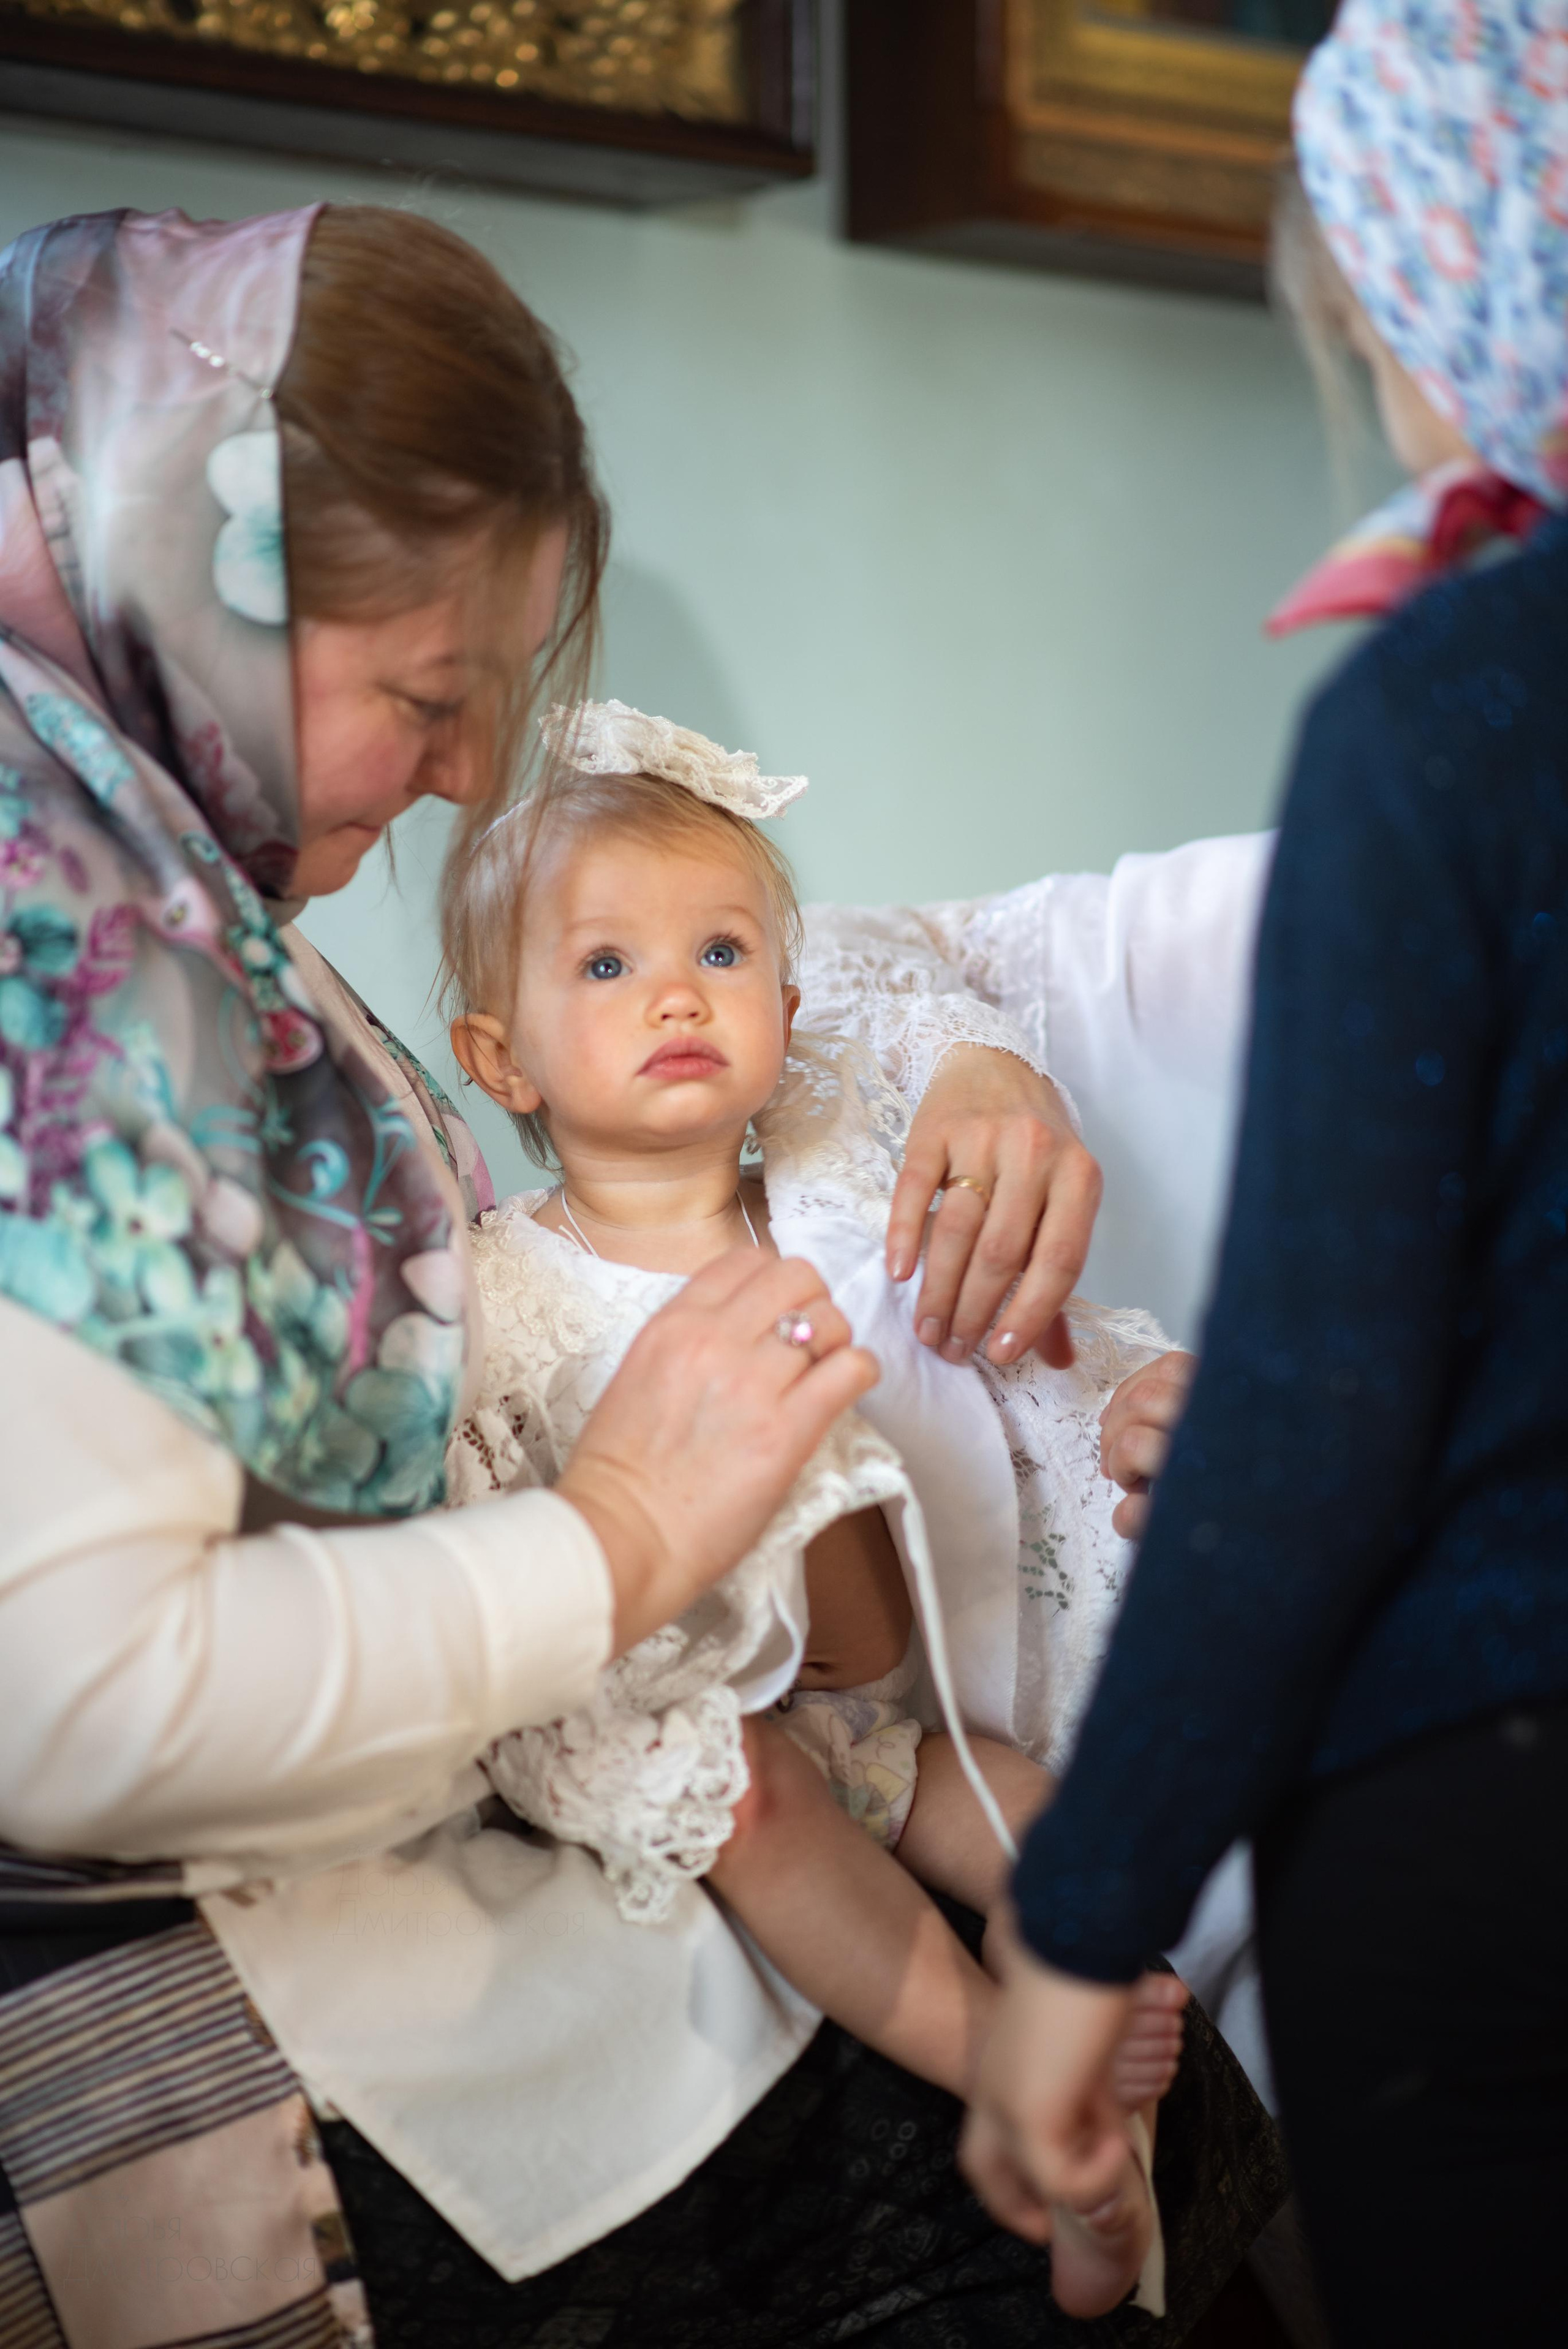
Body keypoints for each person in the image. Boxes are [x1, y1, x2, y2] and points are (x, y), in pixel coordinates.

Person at [0, 203, 1280, 2346]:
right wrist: (614, 1537)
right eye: (429, 693)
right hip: (424, 1871)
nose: (481, 772)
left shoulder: (165, 857)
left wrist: (970, 1052)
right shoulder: (73, 951)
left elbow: (829, 967)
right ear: (200, 567)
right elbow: (81, 1695)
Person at [962, 5, 1568, 2342]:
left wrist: (1078, 1917)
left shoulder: (1454, 718)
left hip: (1494, 1846)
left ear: (1425, 303)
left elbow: (1319, 1415)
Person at [442, 702, 1193, 2317]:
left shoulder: (839, 1202)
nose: (672, 994)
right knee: (772, 1811)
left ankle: (1099, 2073)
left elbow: (916, 1566)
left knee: (1032, 1812)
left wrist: (1117, 1389)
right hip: (710, 1734)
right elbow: (515, 1532)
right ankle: (1016, 2085)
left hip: (884, 1727)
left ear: (785, 1008)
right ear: (497, 1056)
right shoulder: (511, 1287)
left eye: (720, 952)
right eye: (603, 966)